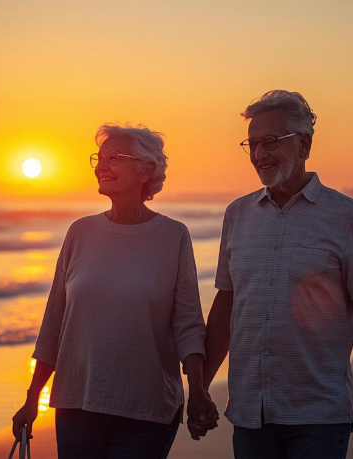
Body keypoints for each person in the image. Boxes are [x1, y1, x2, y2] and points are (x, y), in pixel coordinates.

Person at [195, 90, 353, 459]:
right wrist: (200, 389)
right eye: (253, 144)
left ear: (304, 144)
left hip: (317, 414)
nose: (259, 155)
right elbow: (227, 306)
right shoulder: (237, 215)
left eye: (270, 142)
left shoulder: (344, 215)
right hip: (249, 413)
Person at [12, 123, 218, 459]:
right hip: (76, 404)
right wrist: (32, 398)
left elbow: (188, 324)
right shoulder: (80, 233)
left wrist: (198, 389)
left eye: (114, 157)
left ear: (145, 170)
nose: (101, 165)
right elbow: (54, 325)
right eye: (99, 157)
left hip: (147, 410)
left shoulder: (173, 236)